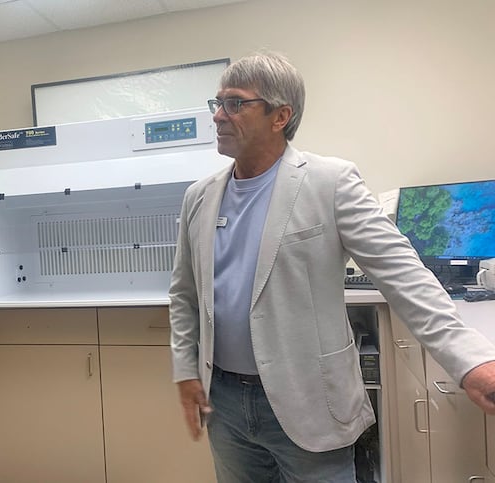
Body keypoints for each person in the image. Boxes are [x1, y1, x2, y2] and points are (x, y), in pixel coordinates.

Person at [168, 51, 495, 482]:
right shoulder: (200, 196)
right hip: (224, 400)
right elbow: (185, 293)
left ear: (280, 115)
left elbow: (405, 275)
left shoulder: (330, 182)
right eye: (218, 103)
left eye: (235, 103)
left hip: (308, 399)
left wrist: (470, 360)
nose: (219, 116)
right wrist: (186, 371)